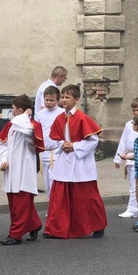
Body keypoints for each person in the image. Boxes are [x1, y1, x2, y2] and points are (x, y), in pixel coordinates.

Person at [43, 84, 108, 239]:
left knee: (87, 196)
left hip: (81, 162)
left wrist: (74, 146)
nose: (64, 100)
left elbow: (93, 141)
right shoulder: (59, 118)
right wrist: (62, 144)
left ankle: (98, 225)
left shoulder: (83, 119)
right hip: (64, 160)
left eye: (67, 97)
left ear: (76, 99)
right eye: (63, 97)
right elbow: (54, 139)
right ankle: (57, 228)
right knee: (60, 196)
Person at [0, 95, 45, 245]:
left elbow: (27, 132)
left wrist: (25, 116)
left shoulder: (31, 126)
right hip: (11, 168)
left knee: (21, 203)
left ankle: (15, 234)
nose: (12, 111)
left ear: (21, 110)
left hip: (24, 169)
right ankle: (34, 224)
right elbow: (1, 144)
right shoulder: (12, 125)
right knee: (15, 202)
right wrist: (2, 160)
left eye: (14, 109)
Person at [35, 86, 64, 194]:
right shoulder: (40, 114)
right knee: (47, 182)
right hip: (44, 151)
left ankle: (57, 208)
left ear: (58, 100)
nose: (49, 103)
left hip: (57, 151)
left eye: (52, 100)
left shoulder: (62, 113)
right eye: (46, 100)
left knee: (55, 182)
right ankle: (51, 207)